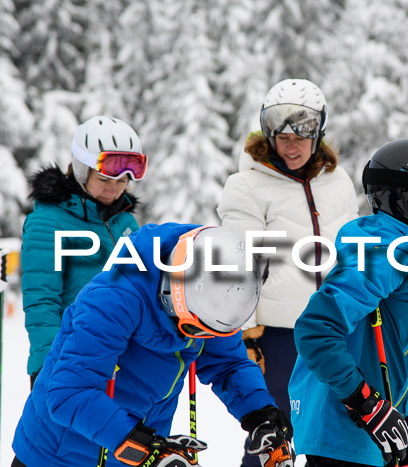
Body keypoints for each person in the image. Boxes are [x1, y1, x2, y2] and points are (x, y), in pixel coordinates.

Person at [12, 224, 294, 467]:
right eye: (194, 329)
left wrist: (261, 415)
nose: (201, 338)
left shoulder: (213, 287)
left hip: (140, 448)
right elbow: (69, 393)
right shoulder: (112, 299)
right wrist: (141, 445)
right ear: (173, 295)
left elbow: (229, 364)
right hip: (61, 454)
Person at [289, 137, 408, 466]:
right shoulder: (384, 254)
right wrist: (366, 404)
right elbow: (314, 330)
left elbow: (388, 354)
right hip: (342, 438)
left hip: (374, 431)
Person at [216, 78, 358, 467]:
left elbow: (352, 252)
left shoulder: (338, 182)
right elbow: (237, 268)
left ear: (319, 132)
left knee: (332, 434)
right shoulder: (246, 186)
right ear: (267, 133)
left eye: (302, 135)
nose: (291, 146)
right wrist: (243, 333)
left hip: (335, 330)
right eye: (282, 136)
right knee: (273, 436)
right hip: (279, 336)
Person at [20, 115, 147, 389]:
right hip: (72, 359)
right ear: (81, 169)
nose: (113, 190)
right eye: (104, 179)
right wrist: (47, 362)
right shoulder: (48, 222)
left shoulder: (125, 221)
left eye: (123, 181)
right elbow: (42, 301)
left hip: (124, 361)